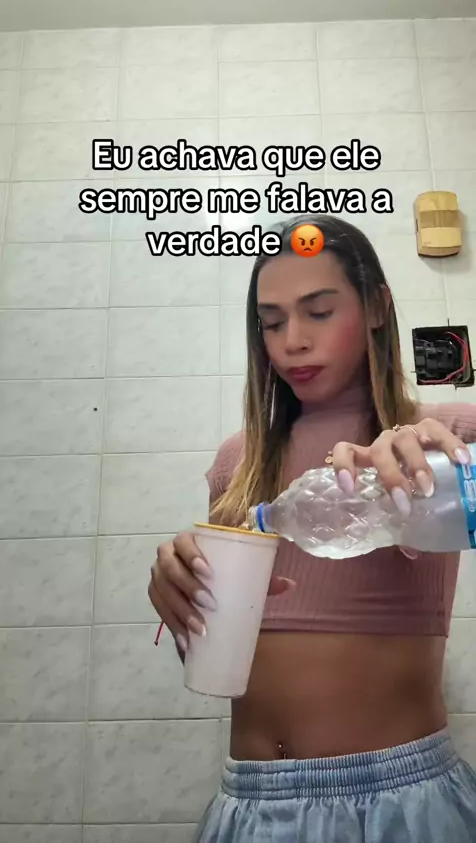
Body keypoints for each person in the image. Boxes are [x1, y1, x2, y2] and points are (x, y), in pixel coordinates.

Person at [148, 214, 476, 842]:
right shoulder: (238, 462)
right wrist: (179, 591)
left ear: (376, 307)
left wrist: (434, 460)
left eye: (319, 312)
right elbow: (216, 659)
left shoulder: (444, 437)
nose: (292, 341)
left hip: (400, 805)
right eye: (271, 323)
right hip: (249, 807)